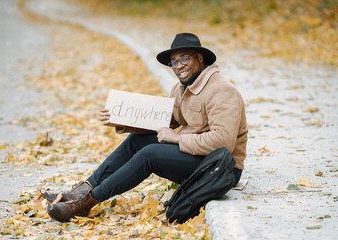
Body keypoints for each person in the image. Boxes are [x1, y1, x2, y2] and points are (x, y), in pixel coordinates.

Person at [45, 32, 248, 222]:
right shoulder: (181, 88)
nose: (179, 66)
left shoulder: (221, 90)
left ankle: (85, 203)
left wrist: (176, 138)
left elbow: (223, 143)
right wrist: (120, 120)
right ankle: (79, 192)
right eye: (174, 62)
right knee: (138, 141)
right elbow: (164, 123)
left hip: (220, 168)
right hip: (197, 156)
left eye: (185, 59)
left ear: (200, 58)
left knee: (150, 154)